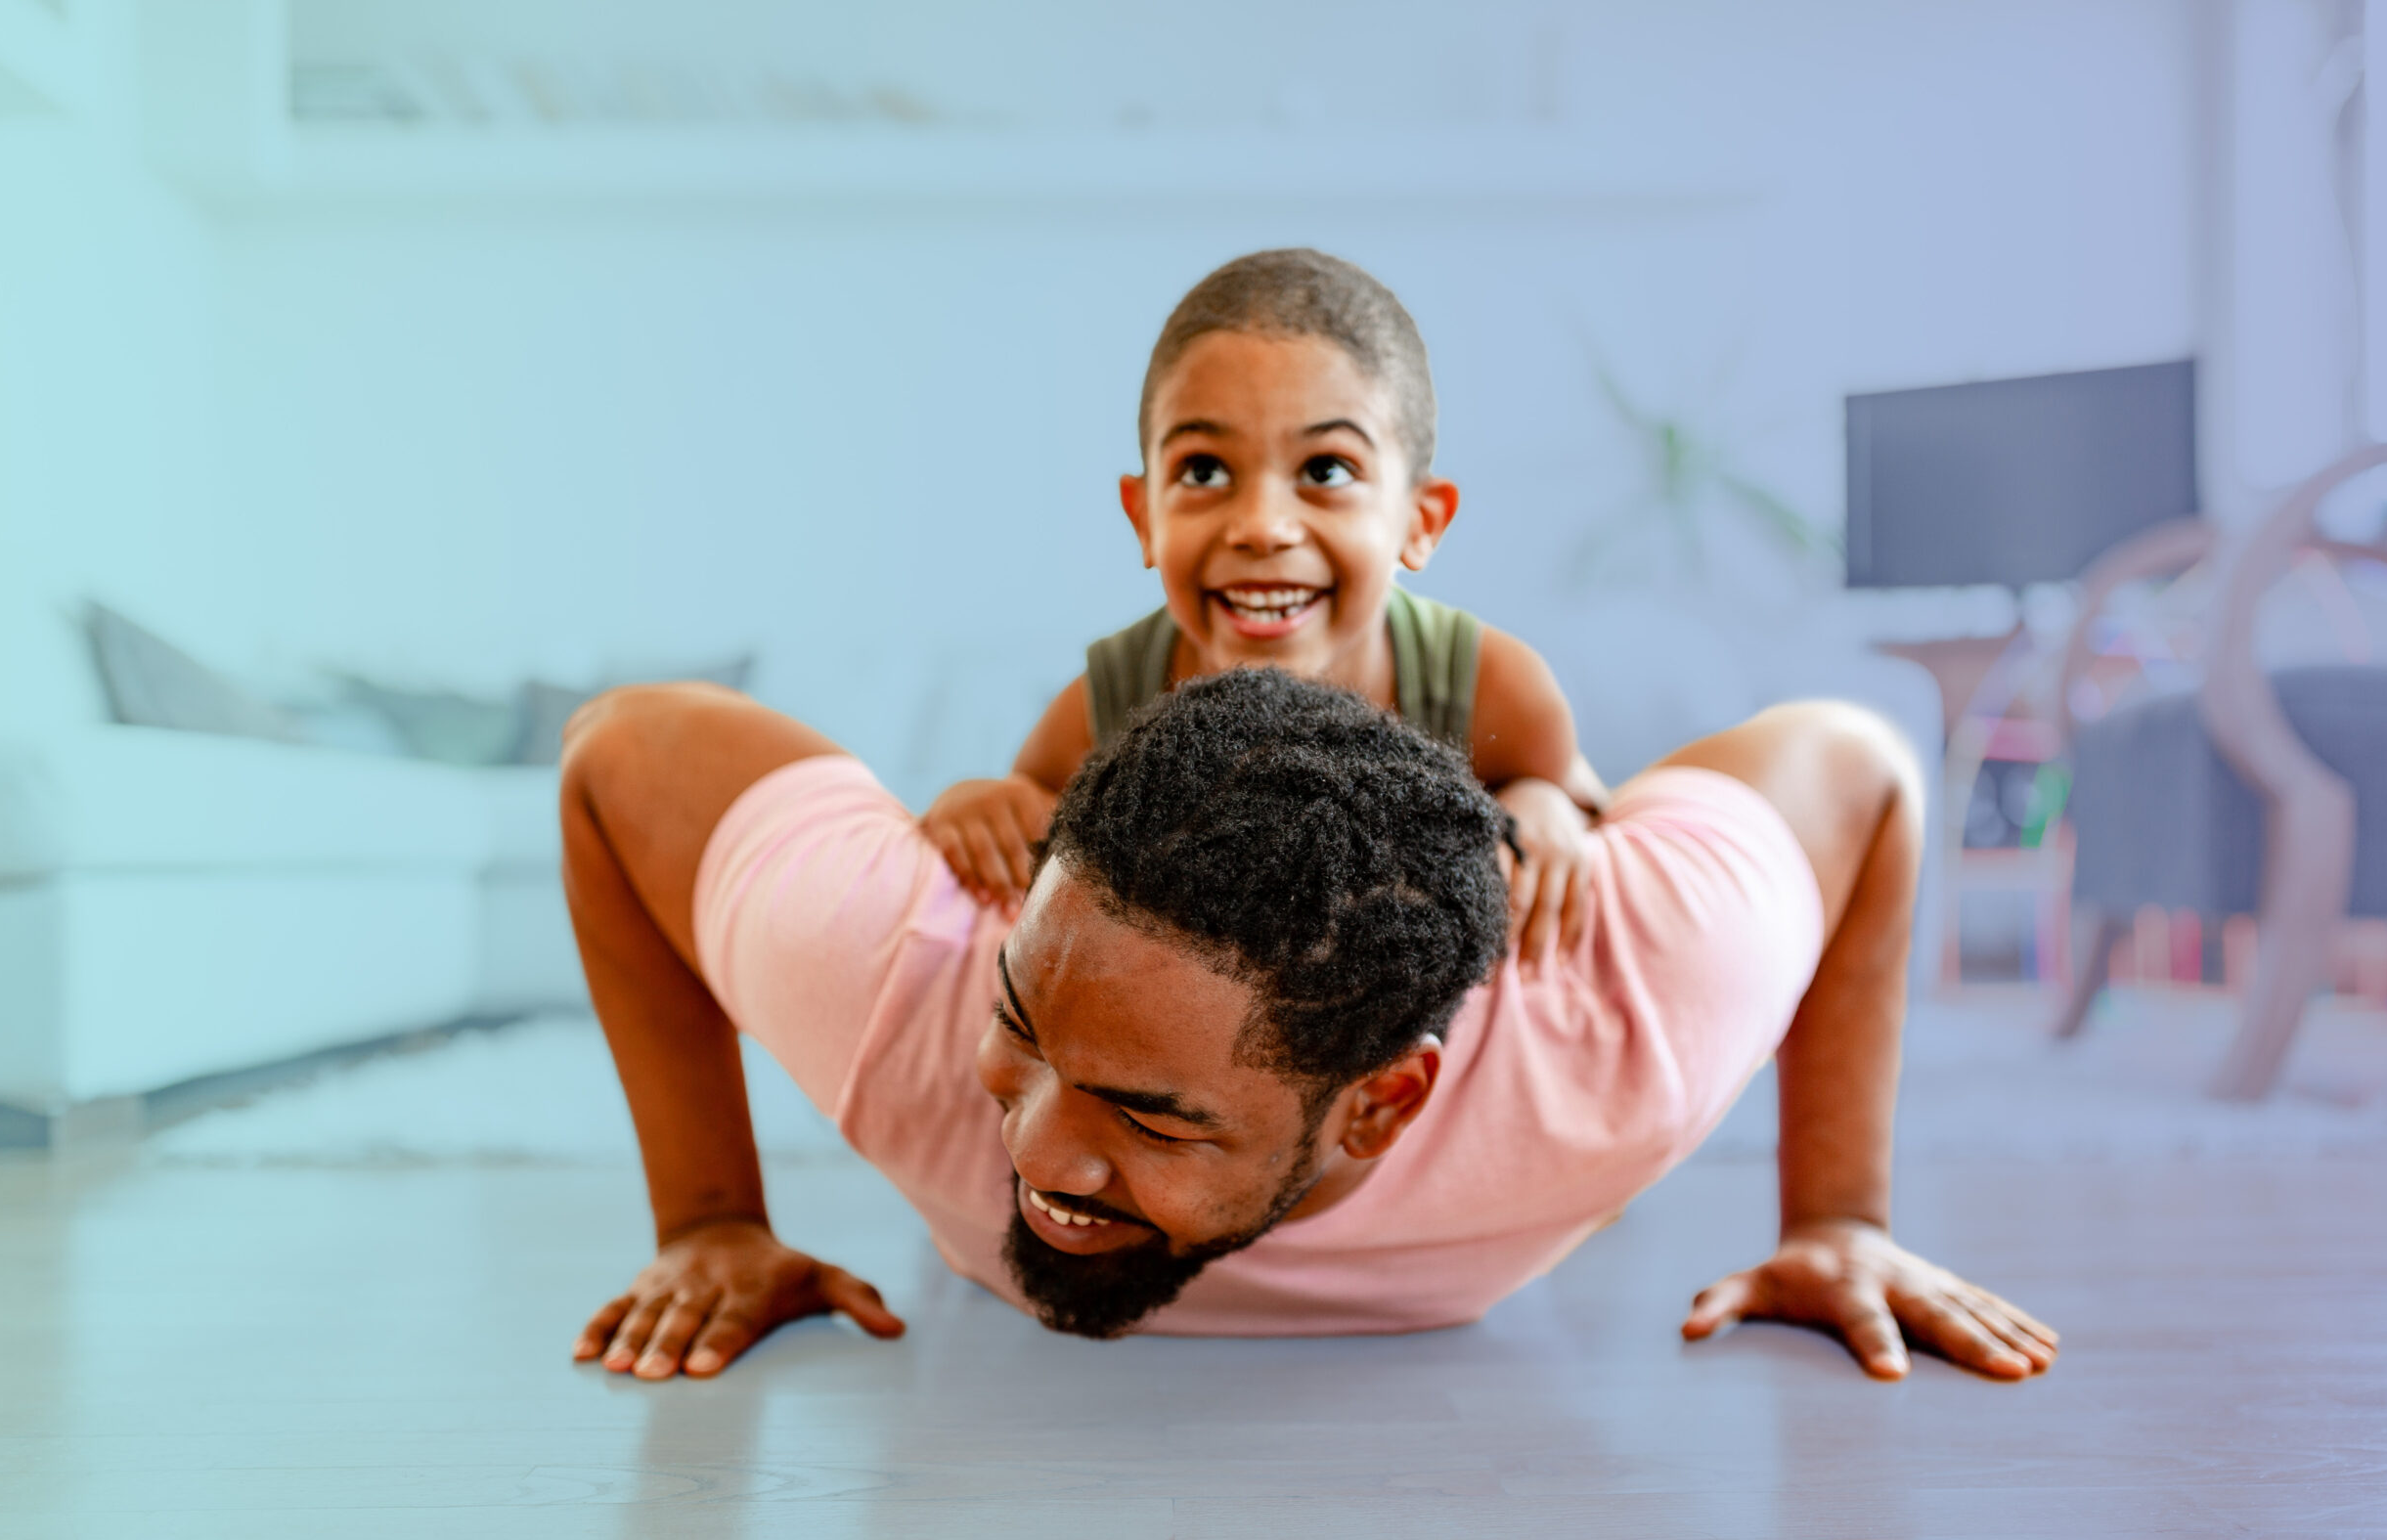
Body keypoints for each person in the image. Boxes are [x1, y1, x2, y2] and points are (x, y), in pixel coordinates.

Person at [560, 667, 2057, 1382]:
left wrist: (1840, 1212)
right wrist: (709, 1218)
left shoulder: (1620, 1020)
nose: (1028, 1140)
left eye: (1149, 1112)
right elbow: (616, 749)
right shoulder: (899, 981)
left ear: (1384, 1104)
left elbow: (1863, 763)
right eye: (1025, 1028)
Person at [917, 247, 1612, 972]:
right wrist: (976, 802)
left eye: (1326, 470)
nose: (1261, 525)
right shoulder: (1112, 706)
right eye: (1204, 470)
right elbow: (1029, 808)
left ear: (1421, 519)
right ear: (1144, 515)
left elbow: (1586, 800)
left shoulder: (1489, 688)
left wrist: (1545, 804)